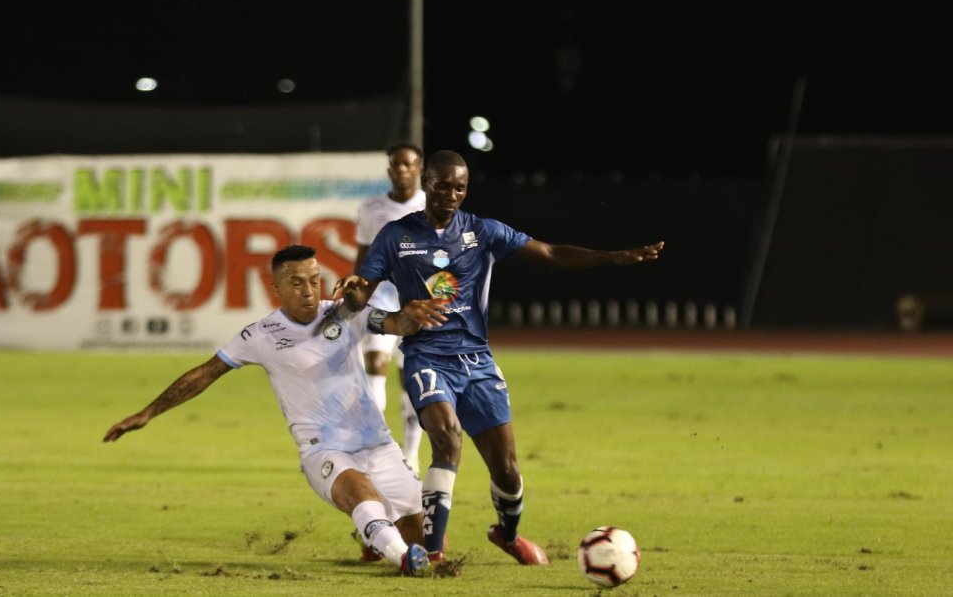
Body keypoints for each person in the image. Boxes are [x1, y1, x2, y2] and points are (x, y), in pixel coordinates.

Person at [339, 150, 663, 565]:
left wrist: (611, 258)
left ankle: (507, 535)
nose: (452, 194)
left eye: (460, 187)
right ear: (427, 184)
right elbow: (362, 291)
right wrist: (355, 291)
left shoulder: (483, 231)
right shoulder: (396, 235)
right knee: (447, 437)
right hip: (426, 356)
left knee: (506, 468)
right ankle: (433, 552)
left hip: (476, 360)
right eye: (443, 185)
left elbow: (549, 253)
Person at [103, 244, 448, 576]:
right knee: (361, 495)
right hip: (324, 450)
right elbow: (206, 372)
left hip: (378, 445)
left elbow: (396, 324)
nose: (309, 291)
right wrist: (148, 412)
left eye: (314, 280)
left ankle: (376, 537)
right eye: (296, 283)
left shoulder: (346, 312)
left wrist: (413, 316)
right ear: (276, 288)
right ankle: (404, 559)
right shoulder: (261, 335)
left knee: (432, 541)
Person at [353, 142, 427, 469]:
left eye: (408, 165)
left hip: (419, 302)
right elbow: (363, 257)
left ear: (419, 168)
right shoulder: (371, 209)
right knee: (376, 363)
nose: (401, 170)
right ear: (389, 170)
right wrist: (355, 296)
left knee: (411, 375)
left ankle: (410, 454)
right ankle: (378, 446)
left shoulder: (432, 205)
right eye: (396, 165)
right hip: (382, 297)